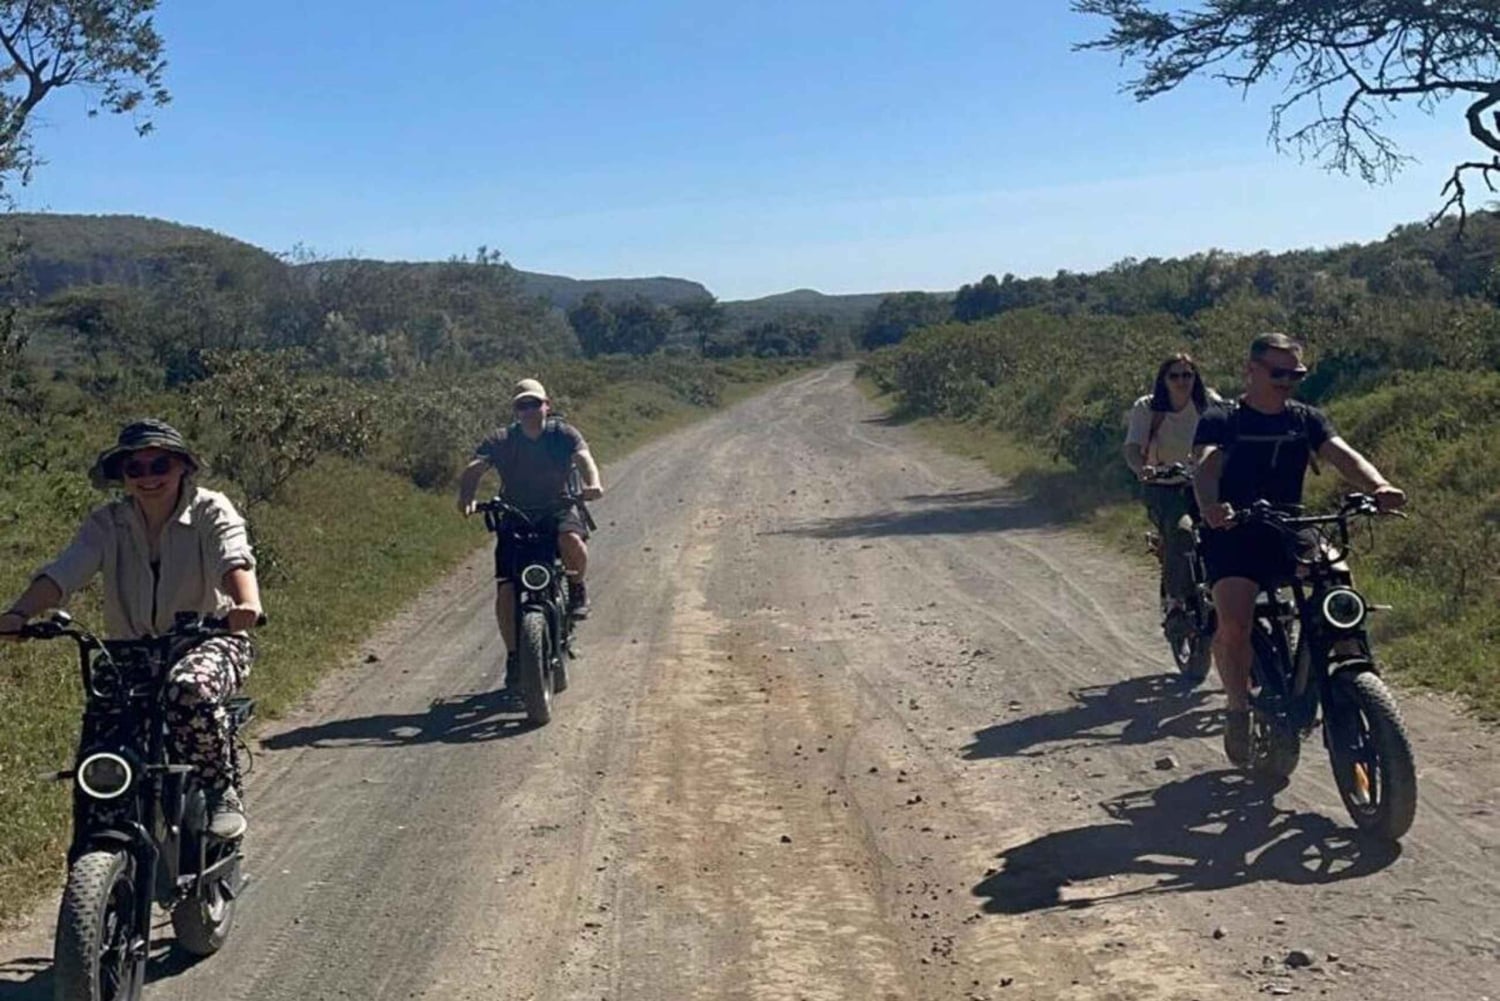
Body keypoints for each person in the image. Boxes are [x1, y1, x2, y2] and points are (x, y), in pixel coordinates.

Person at [0, 419, 263, 839]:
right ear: (122, 477)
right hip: (129, 650)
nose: (148, 478)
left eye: (159, 465)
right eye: (134, 469)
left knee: (189, 689)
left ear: (181, 467)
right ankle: (92, 848)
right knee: (102, 737)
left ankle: (220, 790)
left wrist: (246, 604)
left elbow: (233, 556)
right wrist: (18, 613)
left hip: (210, 640)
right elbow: (65, 573)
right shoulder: (108, 523)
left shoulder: (210, 509)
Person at [1193, 333, 1405, 765]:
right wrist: (1212, 507)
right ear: (1251, 371)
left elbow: (1343, 455)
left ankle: (1352, 666)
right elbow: (1206, 463)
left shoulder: (1305, 419)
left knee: (1338, 577)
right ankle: (1237, 708)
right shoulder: (1223, 418)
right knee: (1235, 622)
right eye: (1278, 372)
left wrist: (1378, 485)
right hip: (1235, 530)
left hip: (1292, 526)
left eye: (1296, 373)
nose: (1288, 381)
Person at [457, 378, 604, 687]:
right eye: (522, 405)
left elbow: (583, 457)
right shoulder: (502, 439)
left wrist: (593, 483)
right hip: (515, 514)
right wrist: (467, 496)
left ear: (546, 405)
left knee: (571, 540)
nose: (529, 410)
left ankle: (577, 588)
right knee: (507, 589)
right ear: (515, 410)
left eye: (534, 404)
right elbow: (475, 467)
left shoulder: (562, 433)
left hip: (558, 507)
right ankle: (514, 657)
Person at [1123, 353, 1216, 626]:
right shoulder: (1149, 407)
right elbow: (1131, 447)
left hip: (1203, 482)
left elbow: (1231, 428)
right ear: (1163, 380)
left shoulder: (1208, 402)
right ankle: (1176, 601)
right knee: (1183, 532)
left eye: (1187, 375)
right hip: (1163, 486)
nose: (1181, 381)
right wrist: (1142, 468)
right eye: (1174, 376)